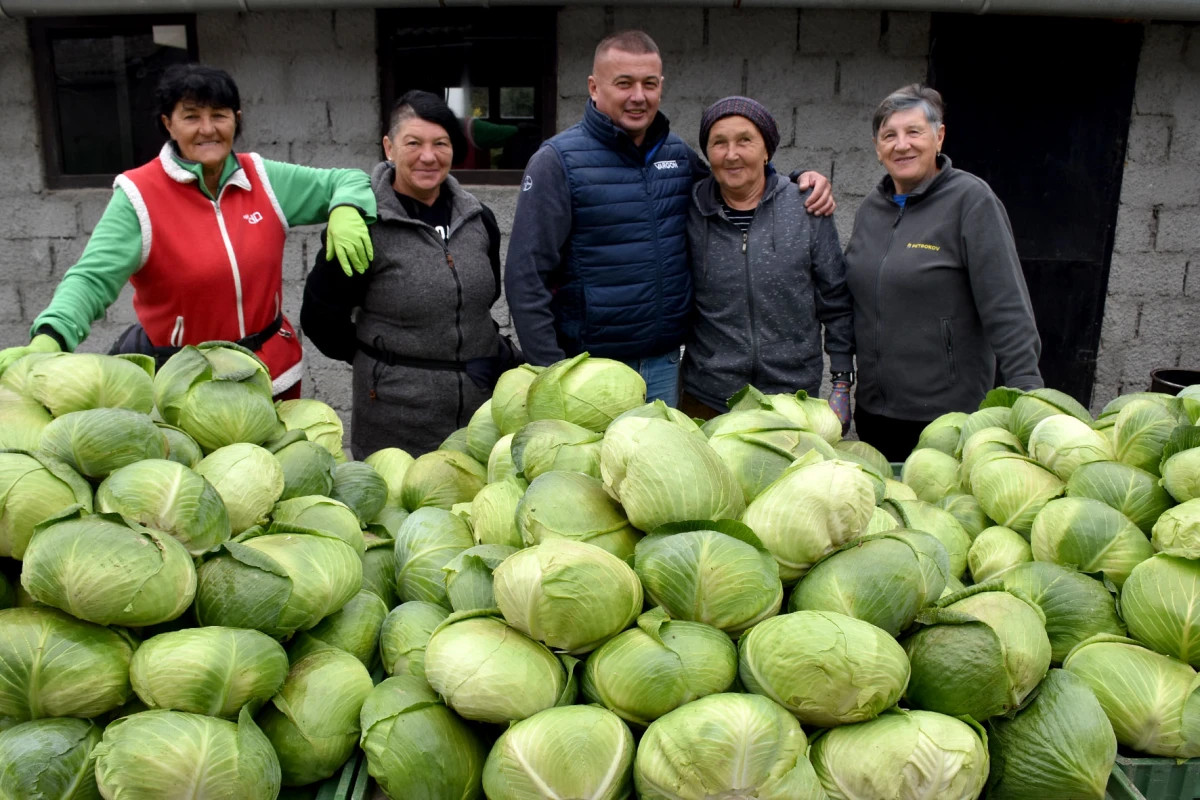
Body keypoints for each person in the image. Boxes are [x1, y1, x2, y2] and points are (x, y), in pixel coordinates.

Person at [0, 64, 376, 400]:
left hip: (271, 373)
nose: (208, 129)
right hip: (188, 389)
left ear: (237, 119)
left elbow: (348, 179)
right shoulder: (139, 195)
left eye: (219, 115)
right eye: (191, 116)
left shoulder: (262, 177)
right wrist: (52, 334)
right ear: (168, 123)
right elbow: (90, 279)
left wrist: (345, 207)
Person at [504, 30, 835, 406]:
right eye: (623, 83)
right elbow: (525, 276)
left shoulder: (677, 156)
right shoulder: (557, 162)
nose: (638, 97)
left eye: (649, 84)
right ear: (594, 88)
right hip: (589, 371)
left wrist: (797, 180)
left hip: (665, 366)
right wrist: (551, 372)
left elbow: (736, 182)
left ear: (661, 86)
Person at [301, 91, 512, 459]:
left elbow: (482, 302)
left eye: (440, 143)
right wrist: (381, 363)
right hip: (396, 422)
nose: (428, 156)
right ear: (389, 147)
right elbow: (320, 318)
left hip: (478, 419)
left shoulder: (479, 219)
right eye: (413, 143)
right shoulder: (364, 226)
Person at [844, 84, 1043, 461]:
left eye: (914, 132)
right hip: (873, 413)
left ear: (940, 136)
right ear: (877, 147)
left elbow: (1007, 309)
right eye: (890, 135)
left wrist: (1029, 400)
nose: (902, 145)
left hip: (947, 419)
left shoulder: (972, 201)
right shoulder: (871, 209)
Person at [680, 97, 854, 428]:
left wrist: (842, 381)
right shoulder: (690, 210)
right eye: (719, 143)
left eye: (745, 140)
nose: (731, 154)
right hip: (709, 396)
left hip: (792, 399)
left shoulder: (806, 208)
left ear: (767, 151)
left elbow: (836, 300)